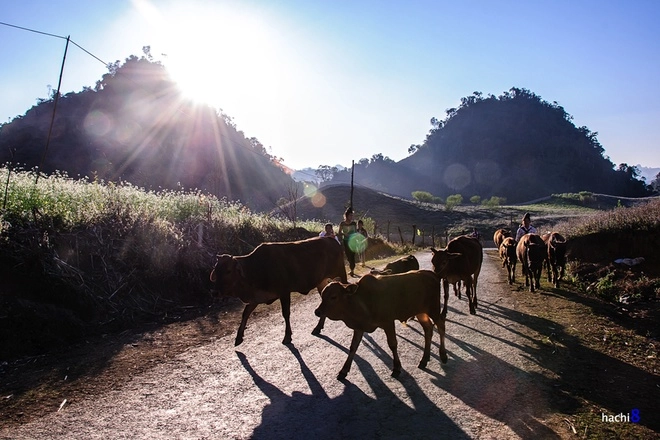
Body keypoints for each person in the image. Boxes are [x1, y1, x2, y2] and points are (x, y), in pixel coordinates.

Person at [337, 207, 358, 276]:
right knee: (348, 256)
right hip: (346, 241)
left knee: (352, 256)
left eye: (352, 215)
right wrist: (344, 234)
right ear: (346, 215)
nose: (351, 217)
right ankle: (351, 268)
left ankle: (352, 270)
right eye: (350, 215)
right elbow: (339, 232)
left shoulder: (354, 223)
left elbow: (356, 232)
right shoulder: (342, 223)